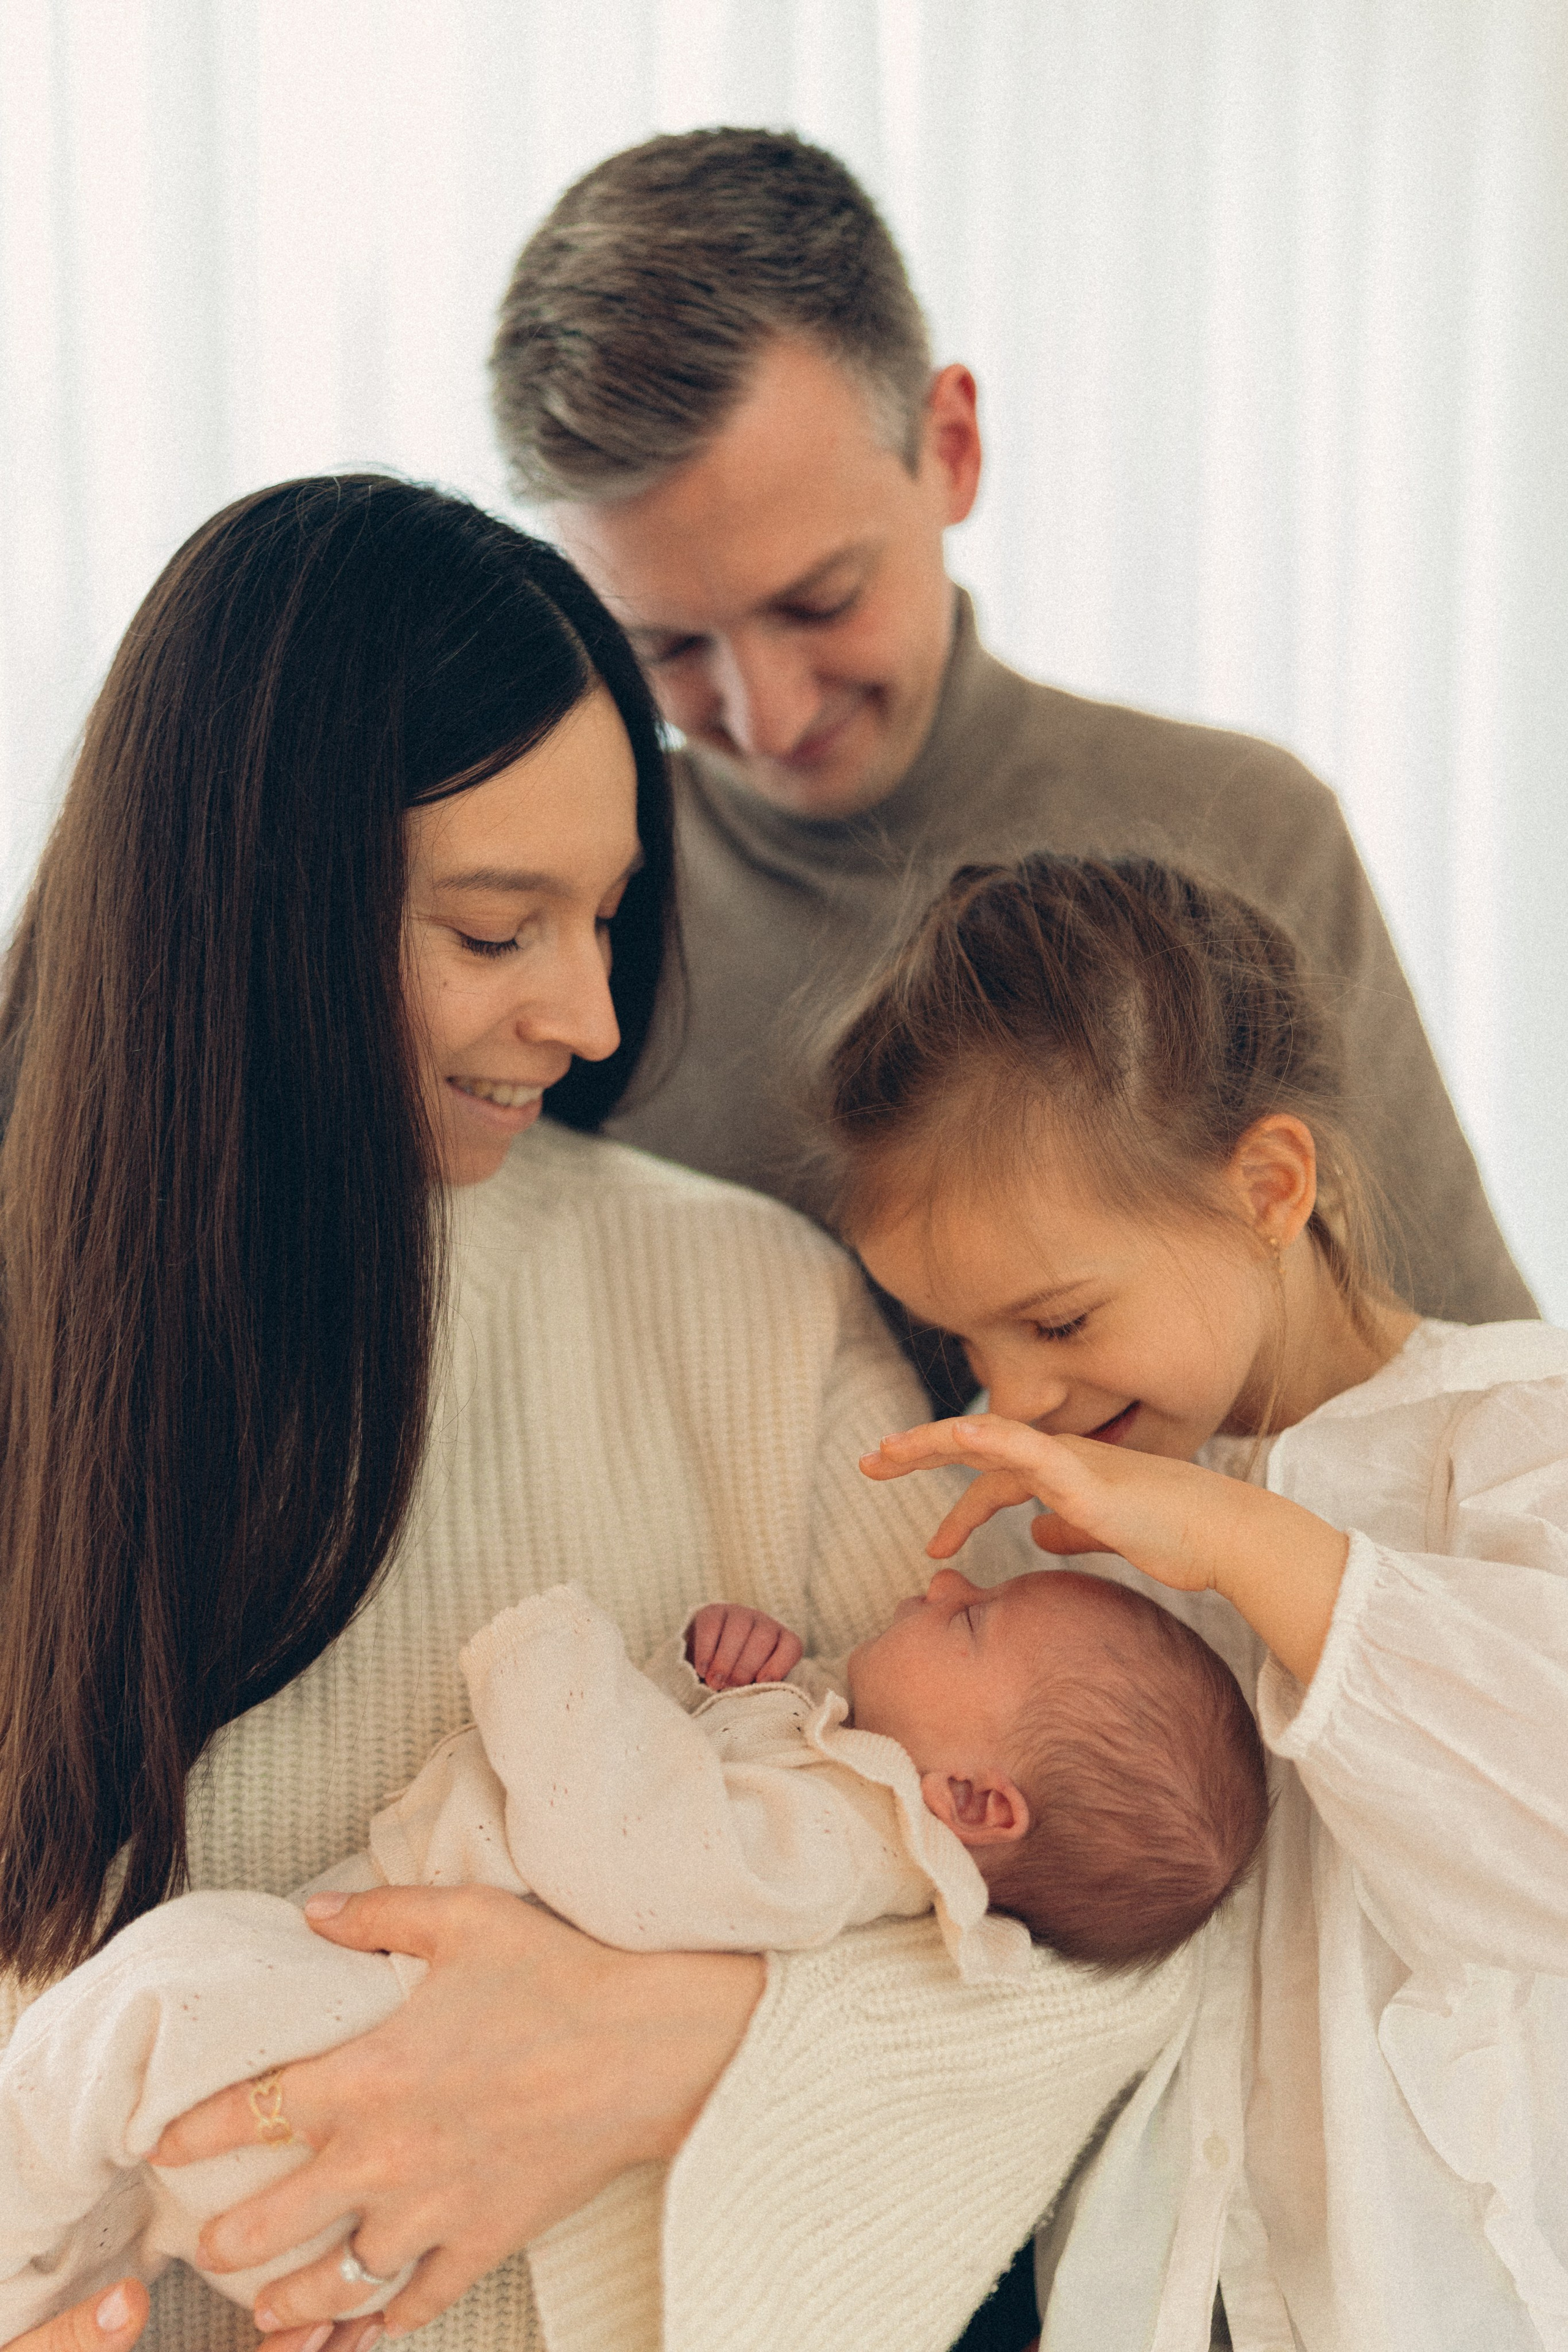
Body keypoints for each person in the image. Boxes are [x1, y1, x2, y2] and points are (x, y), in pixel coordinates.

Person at [0, 477, 1194, 2352]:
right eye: (495, 932)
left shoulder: (749, 1305)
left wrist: (660, 2046)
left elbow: (1128, 1938)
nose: (588, 1017)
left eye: (609, 917)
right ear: (245, 914)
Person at [489, 126, 1534, 1381]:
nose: (762, 716)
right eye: (662, 647)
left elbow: (1481, 1411)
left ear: (952, 449)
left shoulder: (1243, 830)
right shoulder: (553, 904)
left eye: (819, 601)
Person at [818, 850, 1568, 2351]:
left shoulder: (1508, 1435)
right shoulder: (1044, 1525)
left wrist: (1231, 1536)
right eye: (959, 1334)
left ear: (1266, 1190)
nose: (1010, 1390)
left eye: (1056, 1318)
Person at [0, 1564, 1266, 2344]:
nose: (938, 1584)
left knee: (143, 2005)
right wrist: (725, 1679)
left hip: (377, 2038)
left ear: (977, 1806)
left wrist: (564, 1655)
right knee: (130, 2152)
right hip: (349, 2141)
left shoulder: (838, 1835)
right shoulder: (848, 1789)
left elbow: (624, 1849)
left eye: (974, 1621)